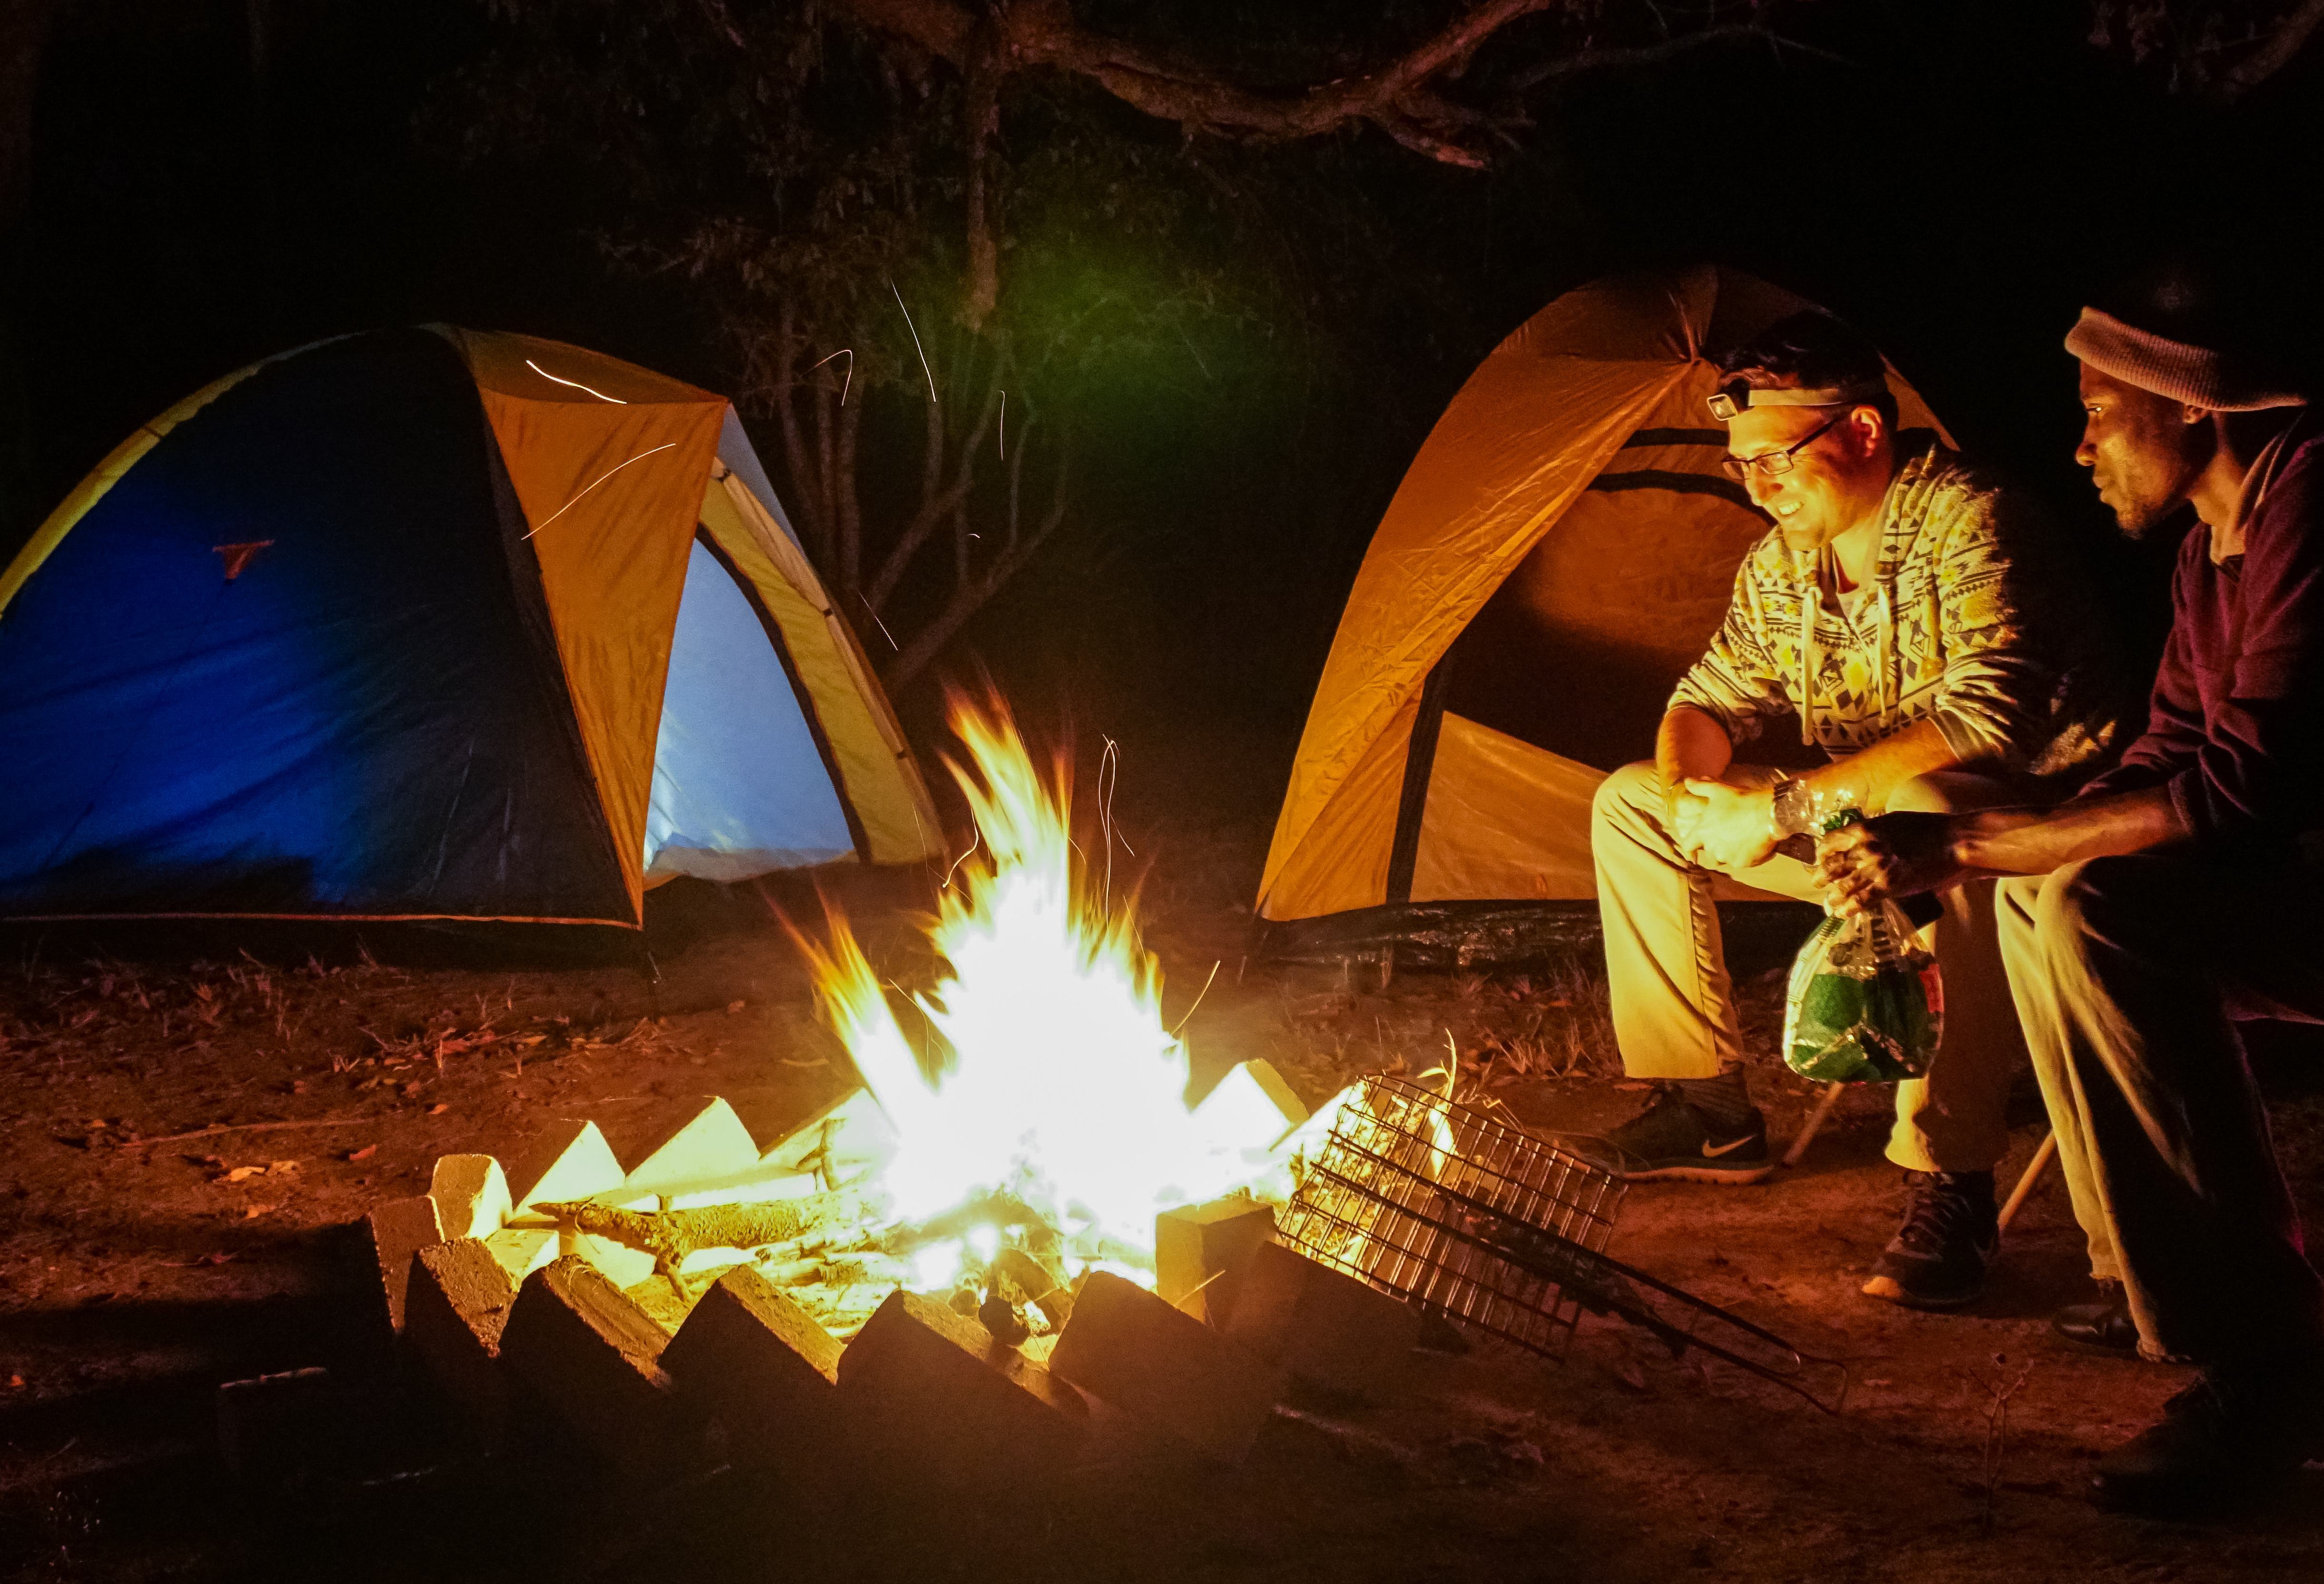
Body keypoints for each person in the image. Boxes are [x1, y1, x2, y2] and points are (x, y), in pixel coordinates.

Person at [1819, 267, 2323, 1515]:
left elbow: (2245, 787)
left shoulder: (2314, 507)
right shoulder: (2210, 553)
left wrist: (1983, 842)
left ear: (2191, 404)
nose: (2082, 447)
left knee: (2101, 908)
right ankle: (2142, 1281)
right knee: (2051, 893)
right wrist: (2005, 842)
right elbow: (2168, 752)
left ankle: (2268, 1364)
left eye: (2100, 412)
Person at [1578, 310, 2117, 1312]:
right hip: (1864, 841)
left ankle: (1950, 1177)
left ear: (1863, 430)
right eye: (1741, 465)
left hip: (2034, 841)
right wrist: (1694, 795)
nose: (1757, 486)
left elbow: (1985, 717)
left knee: (1926, 806)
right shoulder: (1786, 562)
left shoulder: (1971, 517)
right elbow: (1707, 700)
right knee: (1631, 804)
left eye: (1773, 459)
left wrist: (1782, 807)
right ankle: (1710, 1110)